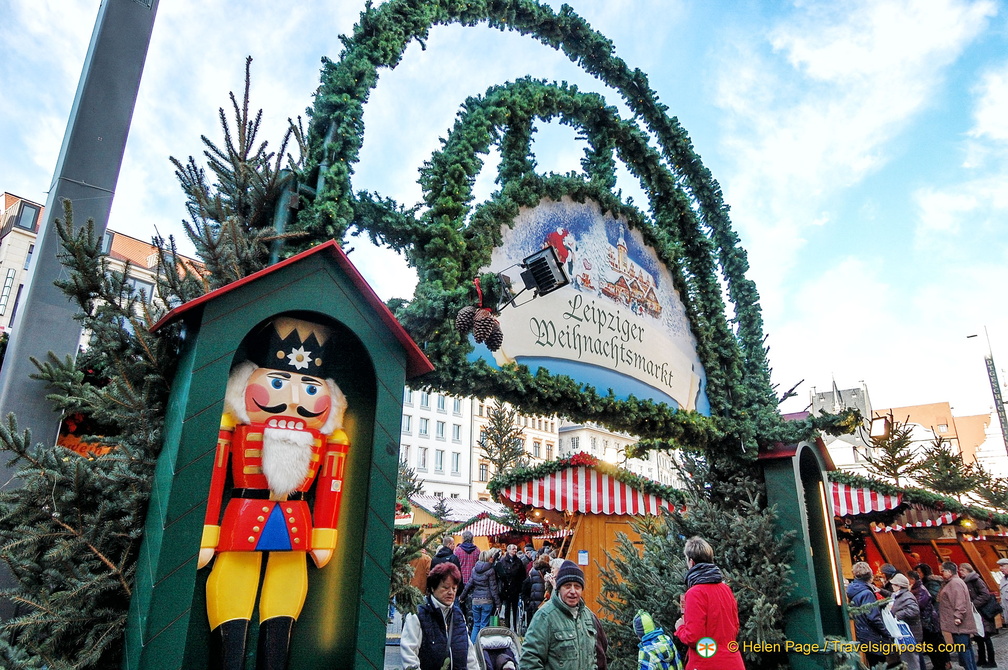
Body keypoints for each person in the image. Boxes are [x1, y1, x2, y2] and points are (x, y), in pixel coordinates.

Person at [198, 315, 350, 670]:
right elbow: (215, 475)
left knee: (286, 593)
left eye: (310, 389)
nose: (294, 400)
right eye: (278, 383)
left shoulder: (329, 439)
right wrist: (208, 530)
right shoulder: (232, 426)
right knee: (234, 582)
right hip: (243, 517)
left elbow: (332, 485)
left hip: (296, 522)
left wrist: (324, 534)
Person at [674, 537, 745, 670]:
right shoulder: (726, 590)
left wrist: (680, 628)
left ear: (691, 562)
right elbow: (735, 627)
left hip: (707, 664)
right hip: (733, 662)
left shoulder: (695, 593)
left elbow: (694, 638)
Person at [400, 562, 480, 670]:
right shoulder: (417, 614)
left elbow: (470, 656)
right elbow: (409, 655)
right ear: (433, 588)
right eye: (445, 588)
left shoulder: (458, 615)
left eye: (454, 588)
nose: (451, 592)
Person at [522, 560, 598, 670]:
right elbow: (529, 660)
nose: (573, 591)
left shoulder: (588, 616)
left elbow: (593, 657)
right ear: (559, 588)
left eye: (577, 586)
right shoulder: (545, 616)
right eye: (567, 586)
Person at [846, 561, 891, 668]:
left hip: (862, 632)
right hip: (872, 634)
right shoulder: (867, 593)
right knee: (879, 664)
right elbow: (873, 617)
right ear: (870, 575)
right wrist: (886, 633)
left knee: (872, 663)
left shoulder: (853, 590)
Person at [938, 561, 977, 670]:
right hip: (958, 624)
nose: (941, 573)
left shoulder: (954, 583)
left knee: (963, 650)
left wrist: (958, 617)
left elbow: (960, 601)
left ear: (949, 571)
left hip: (959, 625)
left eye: (943, 571)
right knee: (966, 649)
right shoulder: (955, 582)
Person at [909, 569, 949, 670]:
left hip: (929, 622)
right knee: (930, 646)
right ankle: (938, 665)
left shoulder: (921, 589)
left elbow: (919, 605)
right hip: (926, 622)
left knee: (934, 646)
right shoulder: (916, 589)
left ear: (912, 579)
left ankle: (941, 666)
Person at [960, 563, 996, 668]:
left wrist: (973, 604)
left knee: (986, 637)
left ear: (968, 570)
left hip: (982, 612)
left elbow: (985, 595)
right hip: (975, 612)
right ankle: (982, 659)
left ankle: (991, 661)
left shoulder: (976, 580)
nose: (960, 572)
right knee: (978, 637)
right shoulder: (965, 581)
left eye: (962, 570)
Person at [460, 549, 501, 643]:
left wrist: (462, 597)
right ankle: (482, 646)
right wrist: (498, 603)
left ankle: (473, 646)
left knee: (476, 625)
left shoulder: (474, 569)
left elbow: (469, 585)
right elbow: (493, 589)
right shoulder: (490, 571)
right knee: (484, 626)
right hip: (487, 600)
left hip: (475, 600)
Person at [890, 573, 921, 670]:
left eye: (893, 584)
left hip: (909, 634)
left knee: (911, 660)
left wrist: (897, 615)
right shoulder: (898, 595)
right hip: (905, 633)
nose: (892, 586)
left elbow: (914, 611)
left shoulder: (906, 596)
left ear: (899, 586)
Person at [499, 544, 527, 631]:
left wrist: (520, 586)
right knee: (507, 609)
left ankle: (515, 627)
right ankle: (507, 627)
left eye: (515, 549)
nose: (515, 551)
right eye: (513, 549)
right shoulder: (503, 561)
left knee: (515, 609)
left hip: (515, 588)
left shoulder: (518, 561)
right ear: (508, 550)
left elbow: (523, 575)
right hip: (506, 589)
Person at [523, 555, 551, 626]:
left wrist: (527, 600)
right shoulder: (550, 571)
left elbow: (525, 586)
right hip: (546, 601)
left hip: (534, 602)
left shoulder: (533, 571)